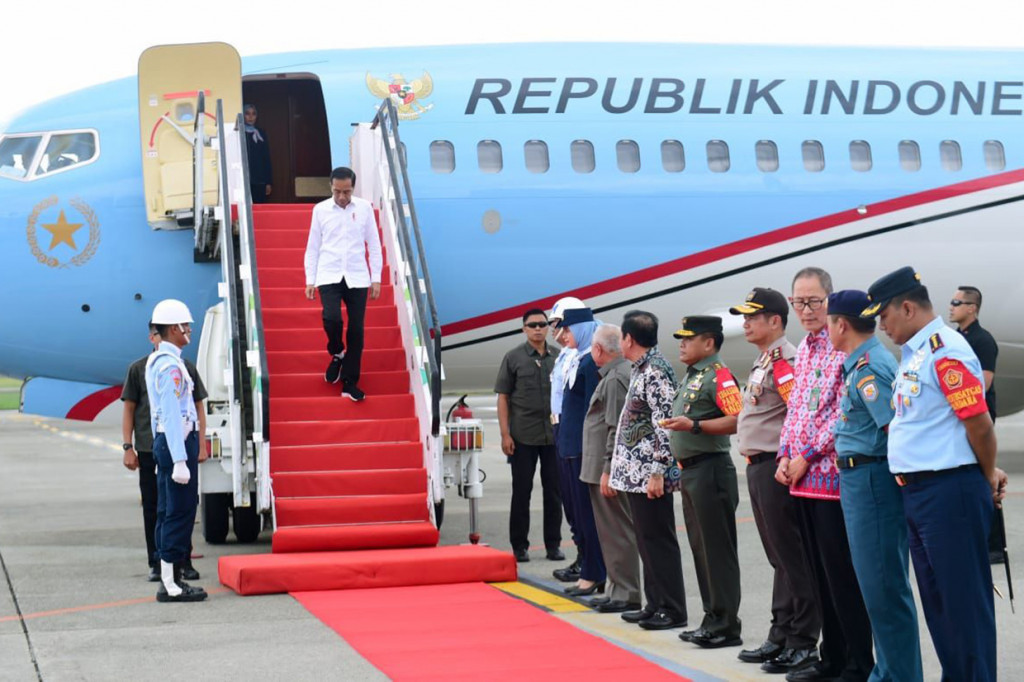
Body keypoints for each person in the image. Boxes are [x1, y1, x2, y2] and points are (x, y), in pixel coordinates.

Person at [863, 266, 1007, 682]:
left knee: (963, 608)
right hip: (921, 494)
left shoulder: (947, 351)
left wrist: (985, 475)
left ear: (907, 307)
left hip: (949, 493)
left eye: (884, 316)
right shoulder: (917, 354)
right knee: (941, 607)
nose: (882, 326)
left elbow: (978, 422)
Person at [776, 267, 873, 682]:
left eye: (814, 301)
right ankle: (830, 656)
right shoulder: (808, 349)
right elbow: (796, 408)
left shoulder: (841, 348)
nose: (806, 310)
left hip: (831, 482)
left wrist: (807, 454)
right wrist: (784, 453)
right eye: (799, 302)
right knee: (818, 577)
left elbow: (841, 415)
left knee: (843, 578)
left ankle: (855, 662)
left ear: (830, 300)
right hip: (800, 483)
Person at [826, 290, 923, 682]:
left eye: (829, 322)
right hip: (859, 480)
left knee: (883, 587)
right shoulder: (860, 363)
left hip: (872, 482)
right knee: (875, 587)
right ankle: (889, 671)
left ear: (841, 324)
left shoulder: (869, 368)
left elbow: (893, 431)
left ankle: (897, 676)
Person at [729, 288, 821, 670]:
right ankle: (780, 633)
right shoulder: (767, 358)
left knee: (792, 557)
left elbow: (798, 415)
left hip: (775, 467)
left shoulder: (785, 361)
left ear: (775, 321)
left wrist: (789, 460)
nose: (746, 323)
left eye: (753, 316)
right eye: (745, 316)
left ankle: (802, 640)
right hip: (759, 465)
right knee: (778, 557)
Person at [661, 316, 742, 649]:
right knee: (701, 549)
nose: (682, 343)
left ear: (708, 343)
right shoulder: (694, 376)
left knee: (717, 550)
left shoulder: (719, 377)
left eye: (688, 338)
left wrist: (695, 425)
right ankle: (712, 617)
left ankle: (725, 623)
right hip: (692, 472)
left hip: (711, 470)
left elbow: (737, 420)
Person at [610, 310, 687, 631]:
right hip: (637, 474)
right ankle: (654, 603)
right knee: (646, 540)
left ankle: (671, 608)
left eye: (621, 338)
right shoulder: (642, 368)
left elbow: (665, 425)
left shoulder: (654, 371)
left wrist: (658, 470)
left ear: (629, 339)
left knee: (658, 540)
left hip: (650, 474)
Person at [121, 324, 208, 583]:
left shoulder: (183, 366)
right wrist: (128, 447)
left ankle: (182, 561)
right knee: (157, 508)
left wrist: (201, 444)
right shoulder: (142, 368)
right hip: (151, 447)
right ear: (152, 337)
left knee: (183, 506)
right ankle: (158, 563)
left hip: (177, 445)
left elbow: (197, 406)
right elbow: (130, 409)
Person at [145, 299, 207, 603]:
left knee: (170, 510)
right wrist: (179, 459)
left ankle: (172, 575)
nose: (189, 330)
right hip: (177, 440)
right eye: (186, 325)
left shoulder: (164, 360)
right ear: (173, 328)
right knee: (179, 512)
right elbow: (170, 413)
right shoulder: (169, 366)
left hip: (172, 442)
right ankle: (170, 584)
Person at [304, 166, 383, 402]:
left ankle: (350, 382)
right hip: (328, 274)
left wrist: (376, 277)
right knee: (331, 319)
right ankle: (337, 353)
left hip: (357, 276)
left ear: (353, 188)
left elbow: (375, 245)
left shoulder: (365, 208)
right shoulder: (320, 210)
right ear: (331, 187)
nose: (342, 197)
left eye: (346, 192)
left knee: (357, 331)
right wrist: (310, 279)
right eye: (337, 191)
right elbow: (313, 247)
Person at [581, 323, 641, 613]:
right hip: (602, 468)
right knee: (610, 532)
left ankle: (626, 592)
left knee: (617, 532)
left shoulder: (617, 377)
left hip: (606, 469)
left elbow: (616, 428)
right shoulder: (614, 374)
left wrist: (608, 468)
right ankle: (618, 587)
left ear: (598, 350)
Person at [495, 308, 563, 563]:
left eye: (542, 324)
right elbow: (503, 397)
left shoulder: (559, 357)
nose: (537, 329)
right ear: (524, 328)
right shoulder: (513, 358)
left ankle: (553, 544)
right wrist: (505, 434)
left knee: (554, 492)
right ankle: (519, 546)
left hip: (553, 438)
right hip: (522, 436)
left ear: (548, 327)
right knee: (521, 492)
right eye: (532, 325)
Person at [553, 307, 606, 596]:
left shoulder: (589, 364)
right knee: (576, 513)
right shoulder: (574, 359)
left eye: (569, 330)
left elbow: (592, 412)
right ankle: (589, 569)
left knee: (588, 515)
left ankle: (594, 573)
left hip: (582, 449)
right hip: (569, 445)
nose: (564, 335)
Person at [950, 285, 1005, 565]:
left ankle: (995, 544)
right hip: (962, 415)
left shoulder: (982, 340)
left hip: (978, 415)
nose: (951, 306)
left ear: (972, 308)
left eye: (957, 302)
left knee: (985, 475)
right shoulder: (956, 338)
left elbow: (983, 383)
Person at [549, 296, 587, 578]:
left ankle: (587, 559)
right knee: (568, 499)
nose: (555, 332)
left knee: (578, 499)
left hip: (572, 431)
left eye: (558, 325)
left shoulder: (580, 354)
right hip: (558, 429)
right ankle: (582, 555)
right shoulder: (565, 353)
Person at [243, 104, 272, 203]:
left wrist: (268, 182)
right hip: (243, 179)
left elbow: (266, 158)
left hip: (259, 179)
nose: (251, 117)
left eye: (253, 114)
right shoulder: (239, 133)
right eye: (247, 114)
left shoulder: (260, 133)